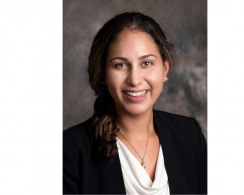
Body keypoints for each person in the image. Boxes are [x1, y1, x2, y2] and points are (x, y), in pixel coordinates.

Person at [63, 12, 207, 195]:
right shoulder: (69, 149)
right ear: (103, 74)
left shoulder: (189, 135)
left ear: (165, 69)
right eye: (120, 65)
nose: (135, 79)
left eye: (146, 63)